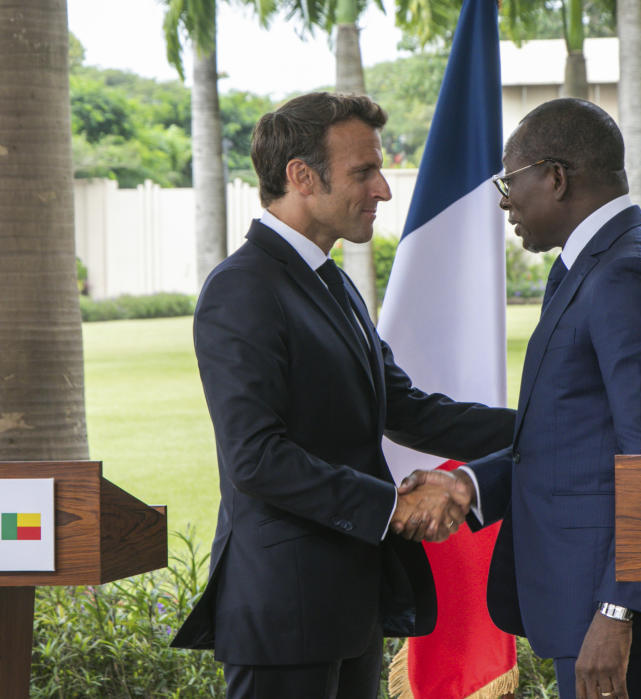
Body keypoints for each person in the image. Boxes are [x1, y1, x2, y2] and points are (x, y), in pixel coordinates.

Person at [405, 98, 641, 699]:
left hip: (615, 614)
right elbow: (577, 437)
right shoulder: (591, 264)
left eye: (509, 182)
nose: (504, 202)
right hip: (585, 600)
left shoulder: (626, 273)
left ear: (556, 177)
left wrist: (619, 611)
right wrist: (470, 484)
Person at [170, 91, 514, 699]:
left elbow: (406, 411)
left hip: (350, 608)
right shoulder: (242, 290)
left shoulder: (332, 282)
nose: (382, 189)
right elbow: (256, 457)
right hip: (284, 614)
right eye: (364, 172)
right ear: (302, 177)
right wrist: (392, 506)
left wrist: (549, 423)